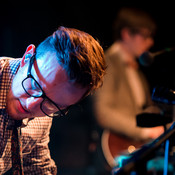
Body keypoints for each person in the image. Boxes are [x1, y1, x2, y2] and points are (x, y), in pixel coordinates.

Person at [0, 26, 106, 174]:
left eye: (51, 103)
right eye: (34, 84)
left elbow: (38, 168)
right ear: (27, 57)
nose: (31, 104)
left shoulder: (44, 116)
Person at [94, 7, 166, 147]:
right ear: (127, 34)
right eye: (145, 36)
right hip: (114, 149)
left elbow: (143, 109)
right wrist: (145, 131)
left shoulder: (136, 69)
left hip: (134, 146)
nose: (150, 42)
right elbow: (103, 112)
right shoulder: (107, 62)